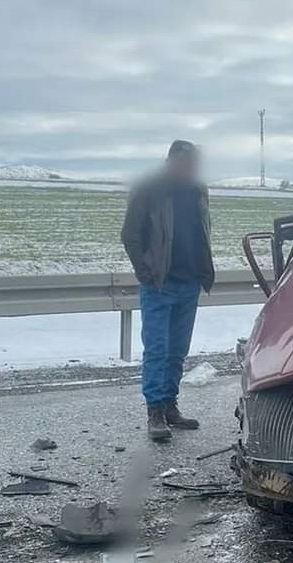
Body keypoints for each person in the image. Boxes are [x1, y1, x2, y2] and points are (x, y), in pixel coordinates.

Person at [120, 140, 215, 442]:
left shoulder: (199, 191)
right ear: (171, 162)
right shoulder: (149, 189)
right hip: (160, 283)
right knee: (158, 349)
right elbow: (130, 234)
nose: (191, 170)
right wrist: (145, 272)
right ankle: (155, 411)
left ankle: (171, 405)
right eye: (186, 164)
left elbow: (202, 231)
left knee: (178, 350)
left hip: (189, 282)